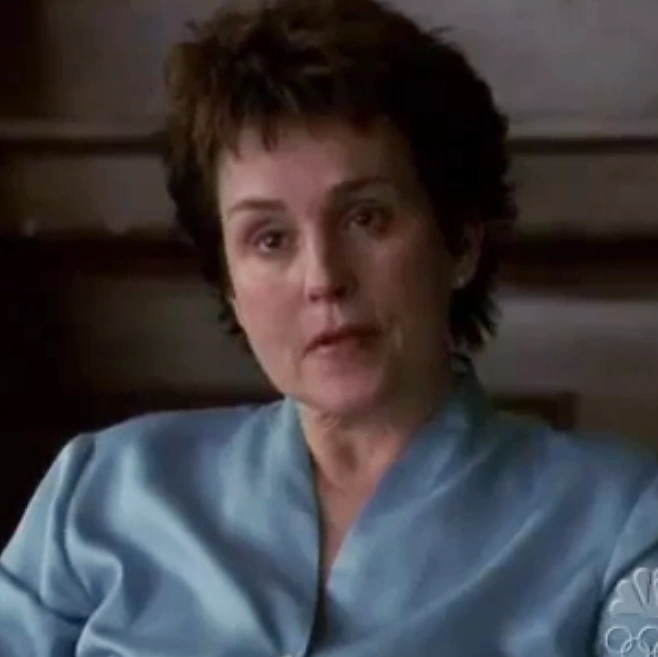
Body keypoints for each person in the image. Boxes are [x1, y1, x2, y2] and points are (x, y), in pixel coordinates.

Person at [1, 0, 657, 655]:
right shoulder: (98, 494)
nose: (323, 278)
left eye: (366, 218)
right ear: (229, 285)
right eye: (269, 238)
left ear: (460, 241)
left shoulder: (621, 524)